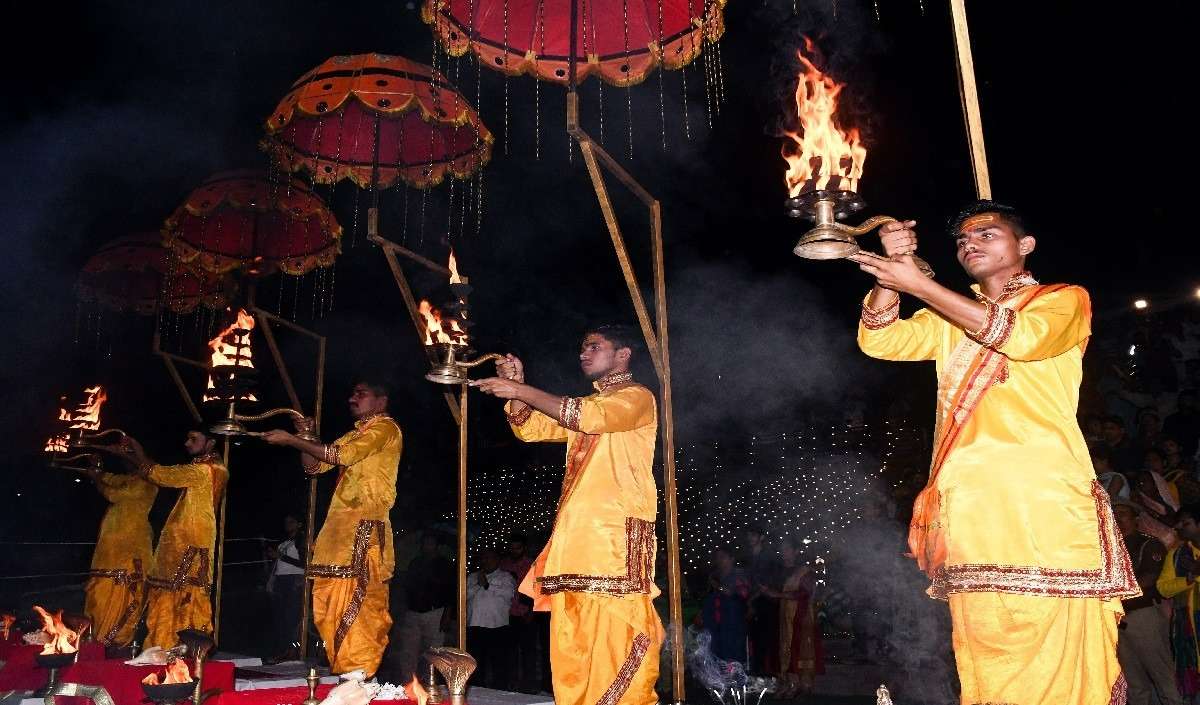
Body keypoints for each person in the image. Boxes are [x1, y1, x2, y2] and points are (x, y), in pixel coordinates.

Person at [851, 200, 1138, 704]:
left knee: (1053, 642)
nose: (970, 243)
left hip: (1042, 503)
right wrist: (891, 281)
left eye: (987, 233)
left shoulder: (1063, 298)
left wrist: (921, 285)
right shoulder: (946, 319)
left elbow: (1023, 338)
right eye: (963, 239)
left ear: (1024, 246)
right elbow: (881, 341)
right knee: (984, 647)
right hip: (969, 506)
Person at [473, 324, 664, 705]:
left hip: (613, 544)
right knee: (571, 647)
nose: (584, 353)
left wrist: (520, 390)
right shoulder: (587, 406)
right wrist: (519, 390)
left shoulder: (636, 398)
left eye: (595, 346)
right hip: (574, 543)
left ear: (623, 354)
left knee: (615, 642)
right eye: (582, 348)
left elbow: (587, 417)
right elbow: (531, 428)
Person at [262, 380, 402, 678]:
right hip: (337, 533)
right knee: (328, 605)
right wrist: (304, 435)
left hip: (363, 531)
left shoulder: (385, 428)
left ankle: (359, 676)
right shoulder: (354, 433)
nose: (352, 398)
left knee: (360, 607)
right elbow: (314, 467)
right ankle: (346, 676)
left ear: (381, 401)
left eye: (360, 393)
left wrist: (292, 440)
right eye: (352, 393)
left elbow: (343, 456)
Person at [115, 429, 228, 649]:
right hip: (183, 540)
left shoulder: (206, 470)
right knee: (167, 594)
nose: (187, 443)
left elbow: (161, 475)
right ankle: (161, 646)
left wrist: (137, 450)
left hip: (190, 541)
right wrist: (129, 456)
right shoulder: (205, 468)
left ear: (211, 442)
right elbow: (163, 472)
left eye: (194, 439)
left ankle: (180, 651)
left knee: (184, 597)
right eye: (187, 438)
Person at [80, 460, 157, 649]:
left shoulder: (148, 483)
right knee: (99, 593)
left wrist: (97, 479)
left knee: (125, 596)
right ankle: (94, 641)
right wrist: (97, 471)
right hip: (108, 550)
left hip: (130, 550)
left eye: (129, 455)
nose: (125, 459)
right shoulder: (126, 479)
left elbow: (113, 494)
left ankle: (117, 643)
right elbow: (111, 478)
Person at [1113, 501, 1181, 705]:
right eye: (1114, 514)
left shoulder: (1148, 543)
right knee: (1132, 680)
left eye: (1123, 513)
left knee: (1162, 673)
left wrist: (1112, 597)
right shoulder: (1109, 548)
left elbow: (1148, 579)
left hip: (1143, 615)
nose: (1118, 518)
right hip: (1118, 618)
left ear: (1136, 518)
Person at [762, 539, 821, 697]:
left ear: (796, 551)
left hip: (800, 615)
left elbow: (805, 593)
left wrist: (778, 594)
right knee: (783, 649)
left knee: (800, 649)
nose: (784, 552)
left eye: (788, 549)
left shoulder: (804, 570)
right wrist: (768, 593)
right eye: (782, 550)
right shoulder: (779, 571)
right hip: (782, 616)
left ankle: (803, 685)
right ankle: (788, 682)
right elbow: (775, 594)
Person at [398, 533, 454, 680]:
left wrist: (447, 614)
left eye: (431, 543)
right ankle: (408, 682)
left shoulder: (444, 564)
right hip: (413, 612)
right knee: (409, 650)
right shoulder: (415, 562)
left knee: (434, 651)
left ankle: (432, 681)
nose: (428, 546)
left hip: (435, 612)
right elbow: (407, 586)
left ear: (436, 545)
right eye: (425, 543)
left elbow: (450, 590)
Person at [1158, 505, 1200, 699]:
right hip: (1188, 625)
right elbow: (1163, 588)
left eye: (1186, 523)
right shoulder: (1175, 555)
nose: (1179, 527)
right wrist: (1189, 579)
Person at [466, 548, 517, 689]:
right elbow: (465, 595)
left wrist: (487, 585)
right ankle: (476, 691)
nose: (486, 561)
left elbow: (508, 594)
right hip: (475, 625)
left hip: (497, 627)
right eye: (484, 558)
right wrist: (479, 583)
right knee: (476, 663)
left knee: (499, 663)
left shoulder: (505, 577)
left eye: (490, 558)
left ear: (497, 560)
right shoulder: (472, 577)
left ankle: (500, 692)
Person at [498, 534, 539, 692]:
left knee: (528, 652)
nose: (514, 551)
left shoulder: (531, 564)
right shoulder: (504, 564)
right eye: (512, 548)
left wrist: (532, 612)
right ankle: (512, 684)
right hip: (507, 615)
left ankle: (529, 685)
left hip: (526, 614)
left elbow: (538, 590)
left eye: (518, 548)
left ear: (524, 548)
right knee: (510, 652)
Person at [264, 513, 306, 663]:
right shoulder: (286, 541)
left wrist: (280, 556)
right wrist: (272, 579)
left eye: (291, 521)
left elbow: (304, 563)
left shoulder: (302, 540)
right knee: (280, 617)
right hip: (281, 580)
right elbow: (279, 563)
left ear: (299, 524)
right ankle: (284, 650)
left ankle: (293, 650)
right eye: (286, 521)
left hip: (294, 580)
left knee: (291, 617)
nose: (288, 524)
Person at [742, 526, 779, 676]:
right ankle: (757, 671)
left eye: (754, 535)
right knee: (755, 637)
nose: (750, 538)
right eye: (749, 535)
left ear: (761, 537)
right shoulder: (749, 556)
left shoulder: (768, 556)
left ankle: (767, 672)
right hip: (752, 601)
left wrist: (751, 600)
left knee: (766, 637)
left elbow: (768, 583)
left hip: (765, 601)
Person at [701, 548, 749, 664]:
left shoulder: (738, 574)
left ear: (731, 559)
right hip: (715, 623)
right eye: (717, 557)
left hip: (732, 622)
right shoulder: (715, 575)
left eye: (723, 557)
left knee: (733, 656)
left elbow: (742, 594)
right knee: (716, 654)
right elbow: (709, 598)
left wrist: (718, 586)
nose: (719, 560)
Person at [1165, 390, 1200, 458]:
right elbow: (1166, 438)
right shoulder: (1170, 419)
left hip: (1194, 456)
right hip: (1172, 455)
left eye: (1188, 400)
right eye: (1183, 400)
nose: (1185, 402)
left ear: (1194, 402)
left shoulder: (1198, 419)